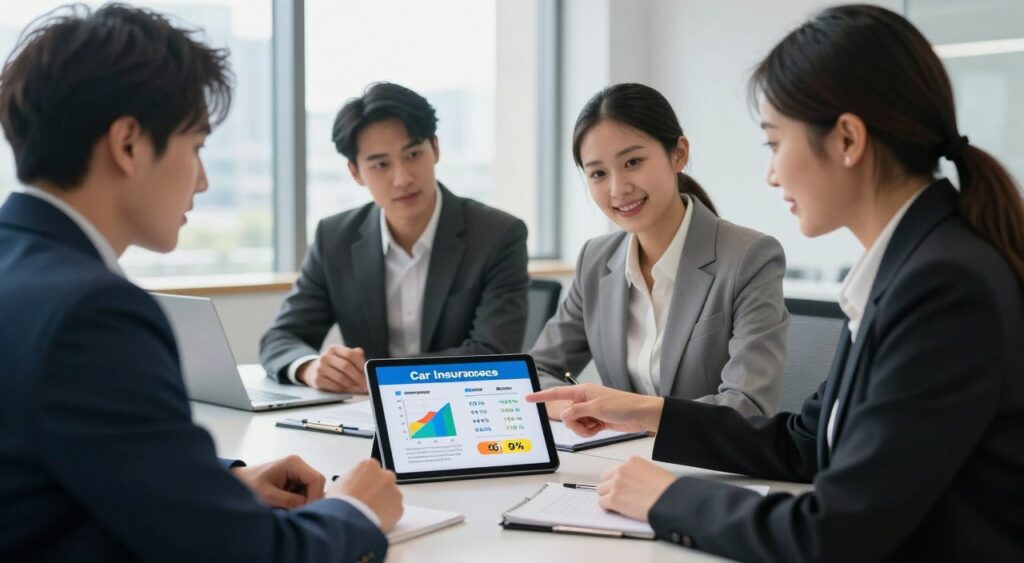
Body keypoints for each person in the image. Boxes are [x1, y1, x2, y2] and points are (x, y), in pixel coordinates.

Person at [529, 5, 1024, 561]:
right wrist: (645, 411)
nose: (770, 173)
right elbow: (804, 443)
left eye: (772, 143)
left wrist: (670, 499)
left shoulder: (943, 285)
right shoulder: (910, 269)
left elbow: (837, 531)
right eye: (596, 172)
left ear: (847, 140)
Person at [0, 5, 402, 561]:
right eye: (196, 147)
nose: (204, 180)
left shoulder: (17, 267)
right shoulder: (91, 312)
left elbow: (44, 465)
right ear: (129, 144)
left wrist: (217, 484)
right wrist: (356, 510)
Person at [530, 83, 788, 419]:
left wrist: (629, 412)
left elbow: (747, 407)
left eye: (633, 162)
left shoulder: (749, 257)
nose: (618, 188)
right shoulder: (596, 260)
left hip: (708, 467)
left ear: (679, 154)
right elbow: (533, 374)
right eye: (597, 173)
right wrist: (582, 409)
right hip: (616, 461)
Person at [260, 82, 529, 393]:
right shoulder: (334, 238)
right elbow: (280, 338)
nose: (402, 178)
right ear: (355, 173)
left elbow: (492, 352)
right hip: (366, 417)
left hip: (461, 410)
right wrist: (309, 368)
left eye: (413, 154)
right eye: (380, 165)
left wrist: (381, 378)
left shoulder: (497, 235)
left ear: (436, 149)